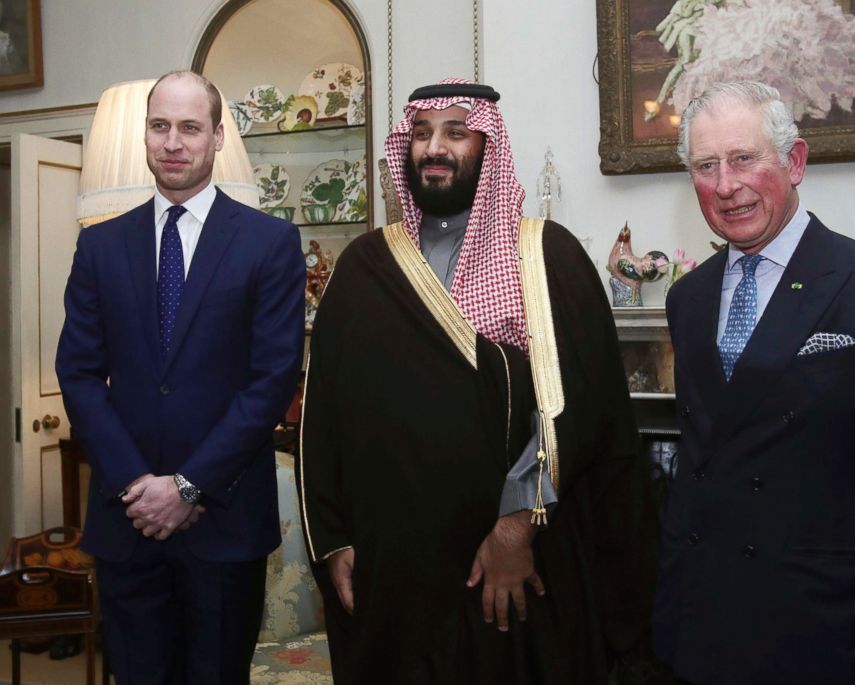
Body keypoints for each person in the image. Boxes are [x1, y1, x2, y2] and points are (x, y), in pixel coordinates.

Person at [298, 79, 657, 684]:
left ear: (487, 147)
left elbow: (582, 410)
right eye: (420, 133)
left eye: (455, 132)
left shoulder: (547, 258)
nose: (433, 147)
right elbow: (322, 418)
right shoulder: (364, 268)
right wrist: (332, 540)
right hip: (395, 571)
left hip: (512, 567)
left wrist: (515, 530)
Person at [653, 80, 855, 685]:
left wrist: (832, 542)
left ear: (794, 162)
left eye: (744, 159)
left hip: (828, 624)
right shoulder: (687, 298)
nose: (726, 185)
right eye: (705, 166)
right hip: (704, 620)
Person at [56, 70, 305, 684]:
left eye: (190, 128)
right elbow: (79, 372)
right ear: (146, 134)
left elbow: (271, 380)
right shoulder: (100, 246)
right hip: (127, 524)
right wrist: (137, 485)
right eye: (159, 126)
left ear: (217, 137)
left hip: (222, 527)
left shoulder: (270, 243)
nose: (172, 142)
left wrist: (189, 487)